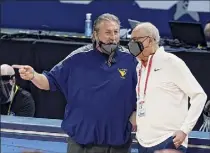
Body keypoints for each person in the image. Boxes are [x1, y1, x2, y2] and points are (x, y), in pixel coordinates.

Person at [13, 13, 137, 153]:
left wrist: (137, 112)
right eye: (107, 32)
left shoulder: (130, 60)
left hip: (117, 142)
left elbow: (147, 89)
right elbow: (49, 81)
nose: (113, 37)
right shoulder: (77, 58)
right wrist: (33, 76)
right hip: (82, 142)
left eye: (116, 32)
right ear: (95, 34)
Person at [127, 22, 207, 153]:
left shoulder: (171, 62)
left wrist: (185, 130)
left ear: (151, 40)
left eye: (136, 40)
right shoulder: (139, 67)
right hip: (143, 141)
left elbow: (199, 96)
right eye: (131, 40)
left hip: (169, 140)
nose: (132, 44)